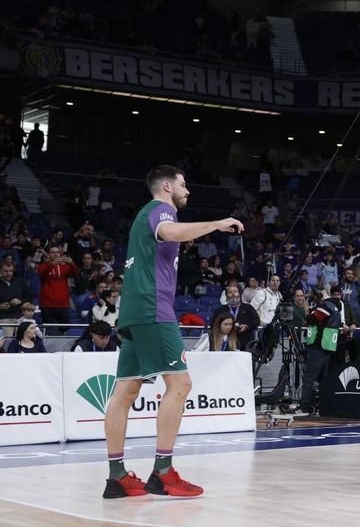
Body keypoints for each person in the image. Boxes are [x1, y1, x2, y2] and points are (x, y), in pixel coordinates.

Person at [103, 165, 244, 499]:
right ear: (167, 186)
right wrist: (216, 224)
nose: (188, 190)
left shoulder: (144, 214)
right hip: (153, 308)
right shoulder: (160, 209)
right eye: (183, 184)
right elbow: (169, 232)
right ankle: (163, 473)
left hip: (133, 310)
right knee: (180, 384)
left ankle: (116, 477)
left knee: (125, 391)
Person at [298, 289, 342, 415]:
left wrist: (307, 310)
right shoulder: (335, 307)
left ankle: (304, 407)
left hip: (319, 346)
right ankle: (323, 406)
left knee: (309, 378)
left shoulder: (327, 306)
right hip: (327, 346)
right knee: (323, 379)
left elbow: (312, 319)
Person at [36, 245, 78, 333]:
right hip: (47, 304)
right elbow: (42, 274)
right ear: (48, 254)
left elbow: (74, 273)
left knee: (65, 328)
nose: (55, 254)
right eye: (53, 252)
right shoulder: (43, 266)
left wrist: (72, 263)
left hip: (62, 304)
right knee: (47, 330)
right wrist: (53, 264)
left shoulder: (65, 267)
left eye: (57, 252)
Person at [220, 284, 260, 351]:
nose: (233, 294)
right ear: (226, 296)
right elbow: (214, 323)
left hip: (246, 344)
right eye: (230, 292)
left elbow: (256, 321)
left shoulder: (248, 307)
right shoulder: (221, 310)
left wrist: (247, 326)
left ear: (239, 294)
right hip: (226, 344)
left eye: (235, 291)